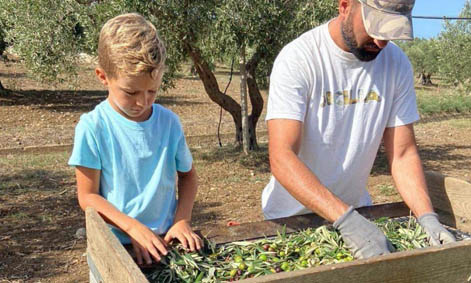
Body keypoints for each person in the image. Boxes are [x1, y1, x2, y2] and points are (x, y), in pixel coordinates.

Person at [262, 0, 455, 259]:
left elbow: (403, 154)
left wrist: (427, 217)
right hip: (292, 222)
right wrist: (346, 220)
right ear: (344, 7)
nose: (381, 42)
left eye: (391, 32)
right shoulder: (299, 59)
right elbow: (282, 157)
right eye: (375, 27)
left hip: (359, 218)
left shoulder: (396, 64)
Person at [68, 13, 202, 267]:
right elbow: (87, 197)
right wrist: (133, 229)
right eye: (131, 92)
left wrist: (182, 220)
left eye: (152, 91)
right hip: (116, 248)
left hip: (166, 244)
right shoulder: (93, 127)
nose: (143, 102)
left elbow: (188, 175)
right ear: (103, 76)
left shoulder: (169, 123)